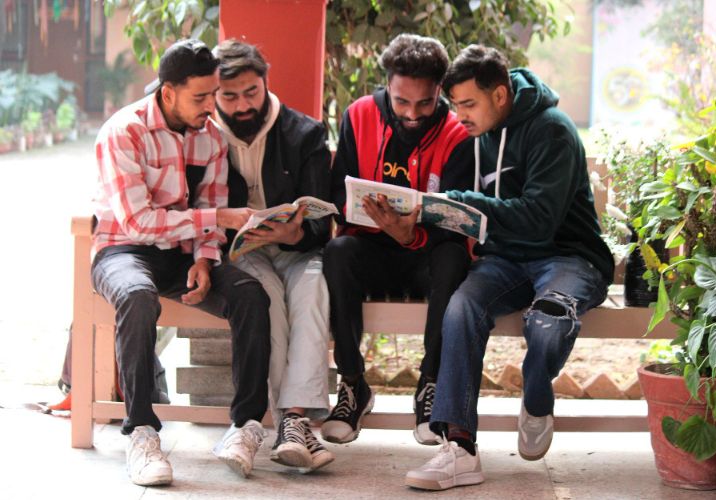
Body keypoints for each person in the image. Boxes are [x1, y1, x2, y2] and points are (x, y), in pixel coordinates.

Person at [405, 45, 614, 491]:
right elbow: (469, 211)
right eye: (454, 105)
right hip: (505, 261)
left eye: (468, 104)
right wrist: (417, 212)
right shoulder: (479, 134)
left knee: (548, 319)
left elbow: (539, 220)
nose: (459, 115)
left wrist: (461, 202)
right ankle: (458, 447)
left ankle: (537, 396)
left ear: (500, 95)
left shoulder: (551, 131)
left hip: (568, 256)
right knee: (461, 309)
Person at [91, 39, 271, 486]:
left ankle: (244, 427)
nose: (212, 106)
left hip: (183, 254)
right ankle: (142, 432)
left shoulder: (209, 137)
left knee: (251, 295)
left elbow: (208, 216)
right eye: (200, 97)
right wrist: (219, 219)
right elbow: (138, 223)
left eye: (213, 94)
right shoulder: (124, 131)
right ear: (167, 92)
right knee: (136, 296)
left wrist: (207, 260)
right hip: (122, 249)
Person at [321, 33, 473, 446]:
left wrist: (413, 231)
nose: (411, 114)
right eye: (401, 102)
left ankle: (431, 388)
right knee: (337, 252)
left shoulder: (458, 131)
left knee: (452, 257)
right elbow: (339, 191)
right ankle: (353, 385)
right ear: (387, 83)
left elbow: (460, 220)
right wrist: (368, 215)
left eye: (424, 104)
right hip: (372, 250)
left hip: (427, 256)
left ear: (439, 91)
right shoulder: (357, 115)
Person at [212, 39, 334, 472]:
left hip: (297, 249)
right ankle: (293, 423)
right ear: (214, 95)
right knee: (266, 302)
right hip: (244, 254)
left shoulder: (305, 133)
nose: (243, 105)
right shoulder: (205, 138)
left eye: (252, 93)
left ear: (266, 84)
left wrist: (296, 231)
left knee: (312, 290)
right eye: (230, 96)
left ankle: (291, 422)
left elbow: (323, 224)